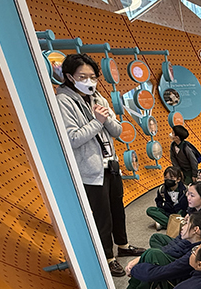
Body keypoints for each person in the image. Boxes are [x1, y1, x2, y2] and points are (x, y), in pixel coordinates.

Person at [56, 53, 144, 277]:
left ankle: (123, 246)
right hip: (90, 170)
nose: (89, 81)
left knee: (117, 209)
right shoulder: (63, 101)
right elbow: (73, 138)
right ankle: (107, 257)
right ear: (69, 76)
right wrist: (97, 121)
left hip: (111, 164)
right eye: (82, 77)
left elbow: (117, 131)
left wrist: (105, 118)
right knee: (102, 216)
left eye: (93, 77)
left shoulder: (98, 97)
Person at [118, 212, 201, 289]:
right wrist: (143, 259)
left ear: (196, 230)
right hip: (184, 282)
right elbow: (174, 249)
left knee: (153, 256)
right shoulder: (199, 242)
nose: (182, 226)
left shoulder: (196, 254)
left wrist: (134, 270)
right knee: (154, 251)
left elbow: (166, 271)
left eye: (186, 223)